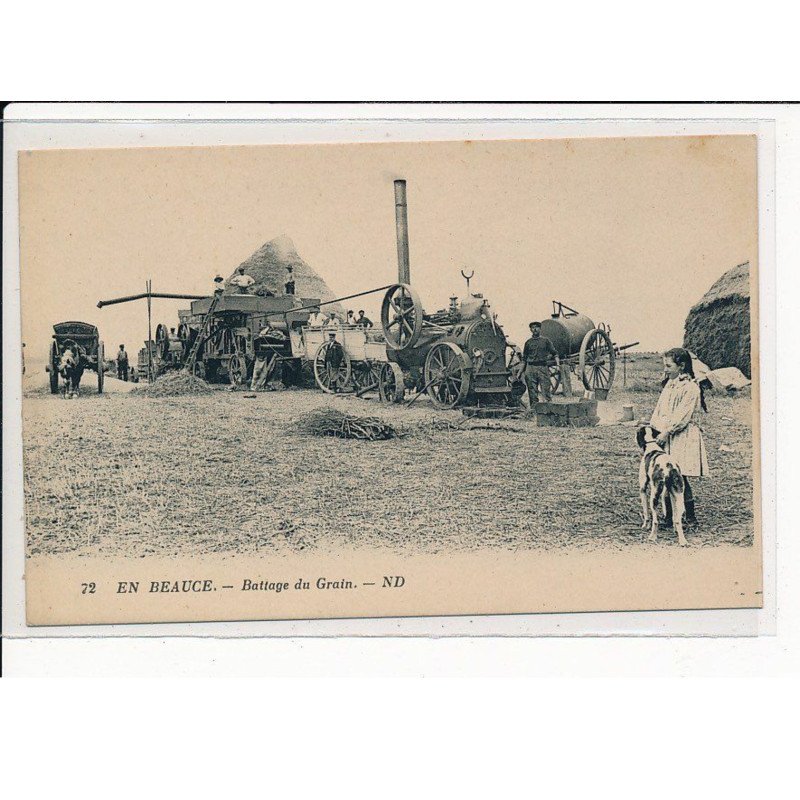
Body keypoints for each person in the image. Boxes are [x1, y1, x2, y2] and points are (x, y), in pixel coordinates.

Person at [649, 347, 709, 527]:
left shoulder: (690, 388)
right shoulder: (670, 384)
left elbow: (682, 417)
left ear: (681, 366)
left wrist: (667, 431)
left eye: (668, 366)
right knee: (666, 474)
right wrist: (654, 427)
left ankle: (690, 517)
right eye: (664, 365)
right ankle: (669, 517)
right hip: (666, 435)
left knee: (679, 476)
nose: (665, 369)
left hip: (682, 436)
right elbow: (660, 409)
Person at [521, 321, 558, 403]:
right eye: (533, 327)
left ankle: (548, 411)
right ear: (530, 329)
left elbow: (555, 353)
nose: (535, 329)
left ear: (540, 329)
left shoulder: (545, 341)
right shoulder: (528, 343)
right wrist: (520, 372)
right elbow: (524, 359)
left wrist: (558, 365)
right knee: (532, 393)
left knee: (546, 391)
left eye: (536, 327)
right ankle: (534, 411)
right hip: (530, 368)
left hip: (542, 368)